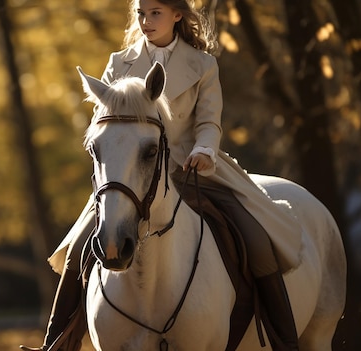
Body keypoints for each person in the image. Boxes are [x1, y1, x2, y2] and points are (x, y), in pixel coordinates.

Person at [21, 0, 302, 350]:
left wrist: (204, 149)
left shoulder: (203, 65)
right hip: (130, 177)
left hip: (192, 168)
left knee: (257, 242)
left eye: (155, 13)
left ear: (177, 14)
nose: (146, 21)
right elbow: (103, 127)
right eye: (140, 13)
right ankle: (55, 343)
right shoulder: (116, 64)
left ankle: (287, 343)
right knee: (80, 248)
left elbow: (209, 122)